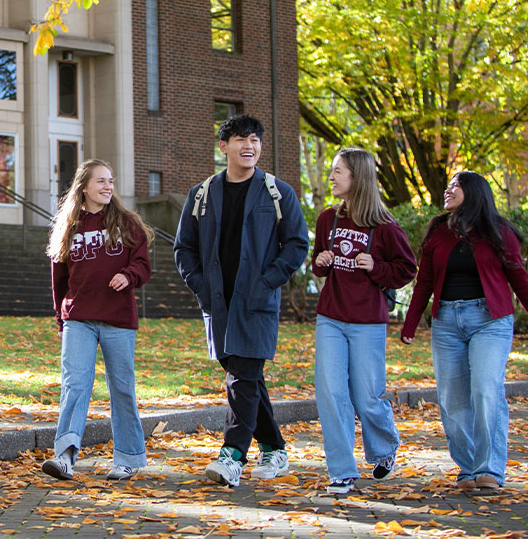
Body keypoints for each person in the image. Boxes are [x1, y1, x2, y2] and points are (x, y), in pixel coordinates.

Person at [174, 114, 309, 487]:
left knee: (242, 379)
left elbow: (297, 242)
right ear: (223, 147)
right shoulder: (201, 194)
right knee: (246, 380)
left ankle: (232, 455)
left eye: (255, 140)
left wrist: (267, 281)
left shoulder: (276, 191)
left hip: (256, 303)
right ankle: (274, 447)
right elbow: (183, 248)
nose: (249, 146)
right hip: (217, 304)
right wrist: (200, 286)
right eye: (240, 140)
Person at [400, 171, 528, 491]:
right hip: (446, 323)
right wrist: (411, 323)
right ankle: (469, 468)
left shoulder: (498, 232)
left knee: (485, 389)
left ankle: (490, 469)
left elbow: (519, 279)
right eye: (449, 185)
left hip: (490, 320)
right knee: (452, 399)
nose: (448, 189)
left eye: (456, 185)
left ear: (474, 192)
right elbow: (425, 281)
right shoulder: (439, 231)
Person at [311, 148, 417, 495]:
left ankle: (384, 448)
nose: (332, 177)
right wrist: (322, 261)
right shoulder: (328, 218)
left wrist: (377, 267)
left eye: (338, 171)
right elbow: (318, 265)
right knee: (330, 393)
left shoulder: (385, 226)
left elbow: (406, 270)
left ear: (357, 177)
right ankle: (342, 470)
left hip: (368, 321)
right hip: (331, 318)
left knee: (367, 396)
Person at [42, 159, 153, 482]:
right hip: (78, 318)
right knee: (75, 385)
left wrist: (128, 275)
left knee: (121, 388)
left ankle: (129, 457)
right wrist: (61, 319)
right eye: (101, 181)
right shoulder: (69, 226)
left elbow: (143, 265)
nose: (108, 186)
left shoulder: (127, 223)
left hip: (117, 318)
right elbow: (58, 280)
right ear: (84, 187)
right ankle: (64, 456)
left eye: (110, 180)